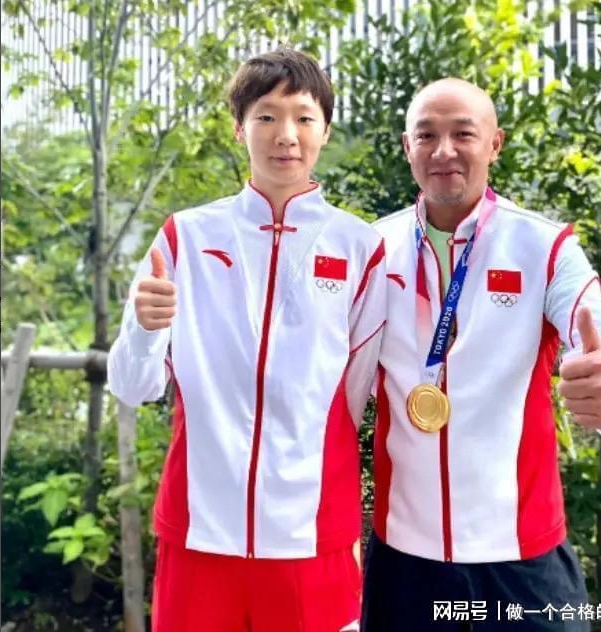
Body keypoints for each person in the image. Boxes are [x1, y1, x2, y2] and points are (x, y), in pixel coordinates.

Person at [108, 48, 386, 632]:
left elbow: (356, 393)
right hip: (199, 528)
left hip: (313, 534)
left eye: (304, 117)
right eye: (266, 116)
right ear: (239, 127)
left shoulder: (360, 248)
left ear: (325, 130)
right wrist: (144, 327)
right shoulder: (184, 237)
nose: (286, 135)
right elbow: (133, 388)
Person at [362, 78, 601, 630]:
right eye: (427, 135)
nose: (443, 150)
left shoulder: (542, 246)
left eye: (463, 134)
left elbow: (599, 325)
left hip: (520, 552)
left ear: (495, 144)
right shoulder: (372, 249)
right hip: (405, 557)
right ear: (407, 147)